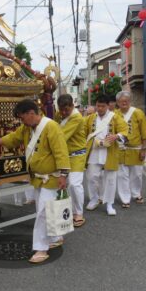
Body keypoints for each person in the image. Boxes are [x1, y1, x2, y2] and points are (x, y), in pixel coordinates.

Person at [0, 99, 70, 264]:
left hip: (52, 176)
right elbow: (12, 139)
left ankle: (41, 248)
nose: (21, 121)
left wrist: (63, 175)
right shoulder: (26, 128)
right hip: (38, 177)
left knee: (43, 212)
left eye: (22, 118)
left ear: (31, 113)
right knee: (45, 210)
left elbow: (61, 152)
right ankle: (54, 238)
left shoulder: (51, 127)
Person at [83, 95, 129, 216]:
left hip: (110, 151)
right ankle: (94, 198)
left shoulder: (115, 118)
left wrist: (116, 136)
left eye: (103, 106)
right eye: (98, 105)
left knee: (111, 179)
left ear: (108, 106)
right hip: (94, 150)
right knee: (91, 177)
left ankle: (109, 203)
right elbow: (83, 132)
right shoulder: (90, 118)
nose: (100, 108)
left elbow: (125, 130)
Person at [115, 91, 146, 207]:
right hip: (120, 149)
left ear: (130, 101)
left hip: (136, 149)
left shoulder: (138, 113)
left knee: (137, 174)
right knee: (122, 175)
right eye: (122, 101)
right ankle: (125, 199)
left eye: (126, 101)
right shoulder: (115, 114)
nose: (124, 103)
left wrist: (144, 149)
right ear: (118, 102)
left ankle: (136, 193)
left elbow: (145, 133)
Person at [55, 94, 87, 227]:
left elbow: (60, 135)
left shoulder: (76, 117)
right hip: (63, 155)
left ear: (72, 106)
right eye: (61, 110)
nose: (63, 113)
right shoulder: (59, 114)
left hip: (77, 154)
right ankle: (67, 211)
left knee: (74, 184)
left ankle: (78, 212)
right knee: (63, 185)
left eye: (66, 110)